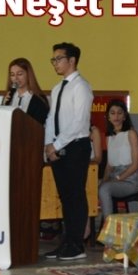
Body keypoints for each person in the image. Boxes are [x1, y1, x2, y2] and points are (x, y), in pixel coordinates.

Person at [44, 42, 94, 261]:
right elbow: (51, 119)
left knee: (75, 195)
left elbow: (79, 122)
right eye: (53, 59)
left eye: (59, 59)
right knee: (65, 196)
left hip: (76, 146)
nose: (55, 63)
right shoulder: (57, 88)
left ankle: (77, 244)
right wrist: (49, 145)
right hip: (58, 146)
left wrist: (57, 145)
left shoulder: (81, 87)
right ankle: (66, 242)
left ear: (72, 60)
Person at [98, 99, 138, 221]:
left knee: (104, 189)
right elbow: (109, 165)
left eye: (119, 113)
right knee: (93, 186)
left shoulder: (131, 133)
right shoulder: (109, 137)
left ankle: (108, 227)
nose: (116, 116)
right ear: (108, 117)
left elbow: (136, 164)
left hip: (131, 180)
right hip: (115, 177)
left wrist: (117, 178)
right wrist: (103, 181)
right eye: (112, 113)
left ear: (124, 116)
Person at [2, 58, 49, 125]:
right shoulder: (9, 97)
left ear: (28, 74)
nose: (15, 78)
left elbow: (39, 125)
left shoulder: (39, 99)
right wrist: (3, 106)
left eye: (19, 74)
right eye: (12, 75)